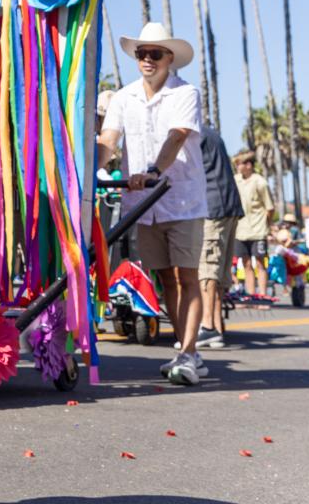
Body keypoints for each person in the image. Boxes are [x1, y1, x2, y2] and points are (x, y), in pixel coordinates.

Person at [97, 22, 207, 386]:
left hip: (181, 198)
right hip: (142, 202)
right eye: (142, 53)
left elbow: (177, 136)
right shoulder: (124, 97)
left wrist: (154, 170)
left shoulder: (185, 93)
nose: (147, 59)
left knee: (187, 275)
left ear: (169, 59)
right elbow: (109, 140)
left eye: (154, 53)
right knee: (164, 278)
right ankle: (185, 349)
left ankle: (189, 353)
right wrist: (88, 168)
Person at [197, 126, 243, 348]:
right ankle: (215, 328)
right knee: (219, 272)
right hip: (228, 206)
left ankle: (206, 327)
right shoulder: (211, 133)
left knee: (207, 269)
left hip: (213, 207)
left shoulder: (194, 134)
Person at [232, 150, 273, 300]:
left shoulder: (260, 182)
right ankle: (250, 296)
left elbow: (270, 208)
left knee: (261, 264)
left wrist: (267, 226)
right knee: (246, 264)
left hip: (258, 230)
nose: (237, 167)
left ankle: (262, 296)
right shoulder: (235, 180)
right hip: (240, 230)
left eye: (239, 164)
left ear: (248, 165)